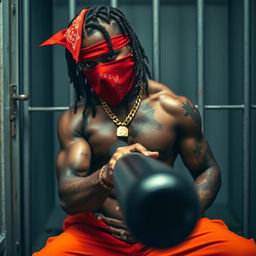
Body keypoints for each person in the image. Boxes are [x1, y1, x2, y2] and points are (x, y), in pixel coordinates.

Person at [34, 6, 256, 256]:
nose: (101, 71)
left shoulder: (172, 108)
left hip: (167, 227)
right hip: (102, 231)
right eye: (88, 64)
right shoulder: (77, 119)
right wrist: (105, 175)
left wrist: (178, 214)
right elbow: (68, 196)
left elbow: (208, 169)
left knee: (241, 250)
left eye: (109, 57)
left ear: (130, 47)